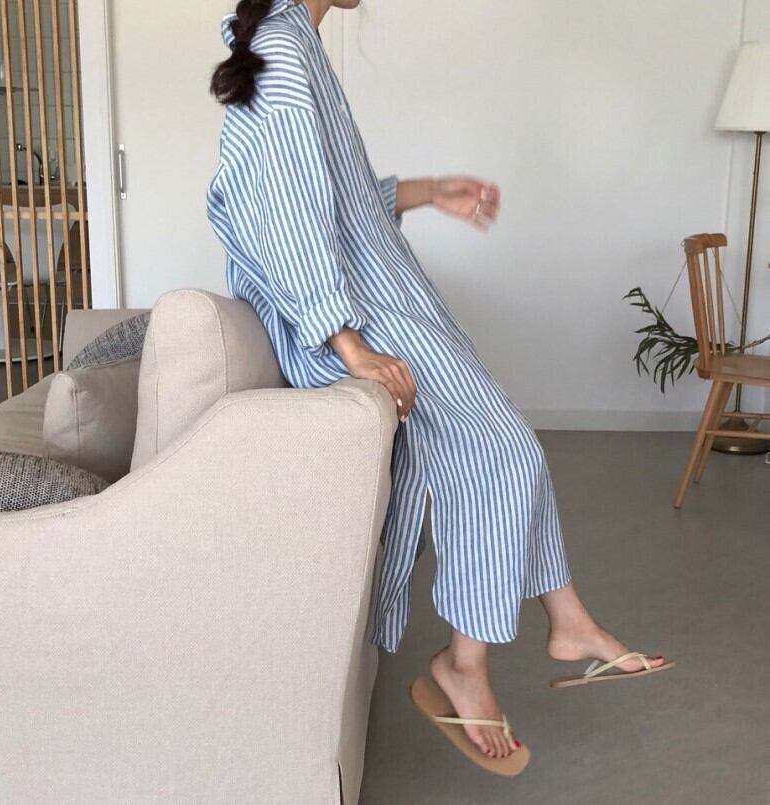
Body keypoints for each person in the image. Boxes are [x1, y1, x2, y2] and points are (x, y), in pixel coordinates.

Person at [207, 0, 673, 772]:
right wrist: (348, 343)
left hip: (380, 303)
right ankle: (467, 662)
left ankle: (566, 619)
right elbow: (286, 213)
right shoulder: (285, 53)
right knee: (503, 448)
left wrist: (426, 190)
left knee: (500, 445)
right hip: (360, 316)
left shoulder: (294, 43)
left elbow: (337, 197)